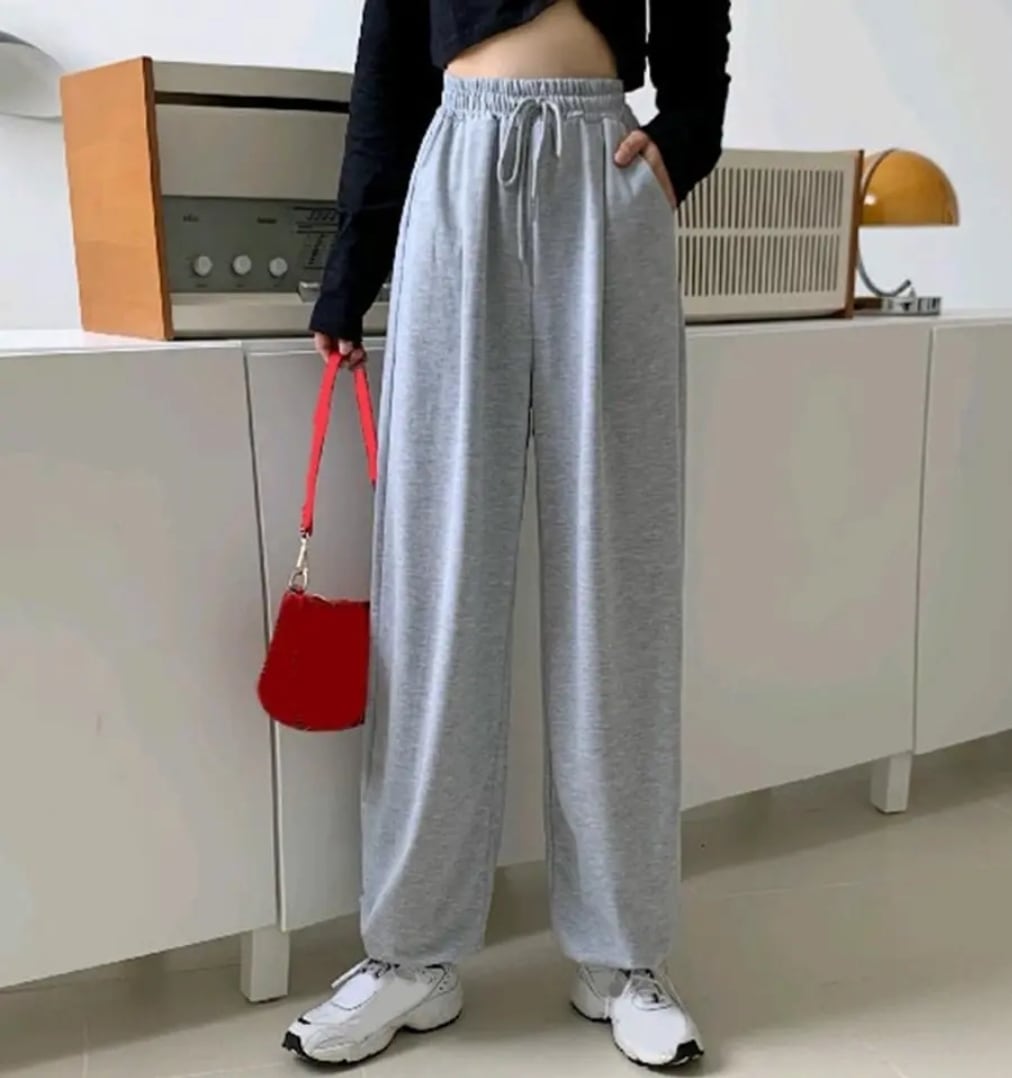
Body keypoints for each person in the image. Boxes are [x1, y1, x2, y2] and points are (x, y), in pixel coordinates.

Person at [284, 0, 731, 1069]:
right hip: (456, 169)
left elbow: (698, 10)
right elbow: (388, 68)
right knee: (435, 587)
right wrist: (350, 274)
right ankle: (409, 953)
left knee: (617, 583)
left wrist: (683, 139)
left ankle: (622, 955)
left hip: (604, 172)